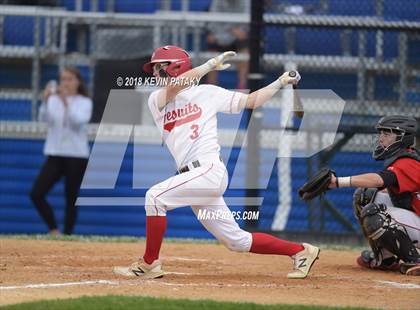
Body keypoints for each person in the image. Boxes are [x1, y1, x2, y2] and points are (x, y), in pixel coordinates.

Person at [113, 45, 320, 279]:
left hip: (209, 170)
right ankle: (301, 251)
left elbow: (251, 101)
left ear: (175, 67)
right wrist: (209, 65)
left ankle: (149, 264)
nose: (154, 73)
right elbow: (176, 86)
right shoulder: (157, 99)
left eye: (158, 68)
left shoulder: (208, 93)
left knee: (155, 197)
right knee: (236, 240)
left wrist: (280, 82)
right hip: (194, 178)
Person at [327, 115, 420, 276]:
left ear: (403, 137)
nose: (381, 138)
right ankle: (386, 259)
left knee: (375, 213)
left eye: (388, 134)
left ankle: (415, 260)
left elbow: (379, 180)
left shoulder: (409, 161)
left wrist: (338, 182)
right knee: (365, 196)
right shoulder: (403, 158)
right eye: (381, 133)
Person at [30, 66, 93, 235]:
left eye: (70, 79)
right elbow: (44, 119)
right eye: (63, 79)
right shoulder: (53, 100)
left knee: (71, 197)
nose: (65, 83)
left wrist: (66, 103)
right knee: (37, 193)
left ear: (78, 82)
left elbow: (77, 123)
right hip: (55, 153)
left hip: (76, 155)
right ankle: (53, 229)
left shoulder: (85, 102)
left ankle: (67, 235)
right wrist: (45, 100)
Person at [206, 0, 249, 89]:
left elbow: (244, 27)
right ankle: (211, 88)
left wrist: (227, 28)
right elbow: (212, 25)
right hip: (220, 36)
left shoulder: (246, 2)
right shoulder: (217, 2)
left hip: (236, 40)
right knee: (211, 40)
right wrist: (231, 29)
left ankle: (242, 87)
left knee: (244, 46)